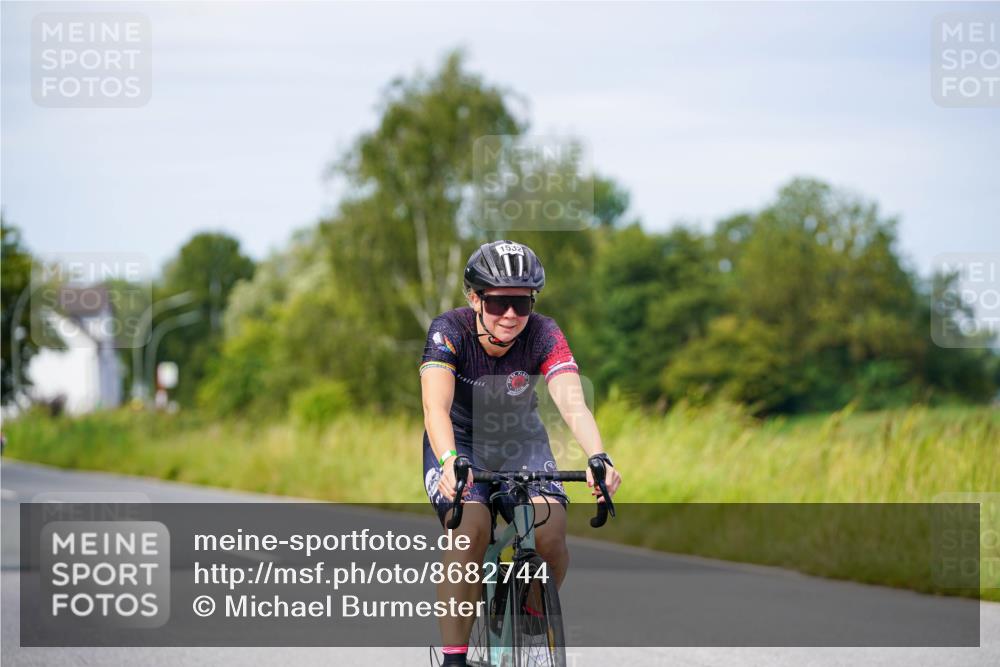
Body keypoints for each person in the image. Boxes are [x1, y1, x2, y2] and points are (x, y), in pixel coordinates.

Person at [420, 239, 622, 667]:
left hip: (519, 440)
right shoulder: (448, 330)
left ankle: (530, 610)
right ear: (474, 298)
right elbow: (434, 407)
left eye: (521, 303)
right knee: (470, 530)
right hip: (460, 442)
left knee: (550, 529)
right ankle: (455, 660)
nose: (510, 314)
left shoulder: (544, 332)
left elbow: (572, 403)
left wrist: (598, 456)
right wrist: (448, 462)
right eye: (497, 302)